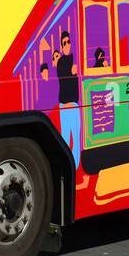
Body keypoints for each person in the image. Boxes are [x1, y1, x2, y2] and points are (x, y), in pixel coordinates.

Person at [53, 31, 82, 172]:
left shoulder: (75, 57)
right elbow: (62, 73)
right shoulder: (62, 62)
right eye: (64, 43)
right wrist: (72, 71)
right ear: (61, 45)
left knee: (76, 138)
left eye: (68, 42)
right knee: (66, 138)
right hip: (65, 105)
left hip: (74, 104)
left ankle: (74, 168)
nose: (67, 45)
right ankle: (67, 167)